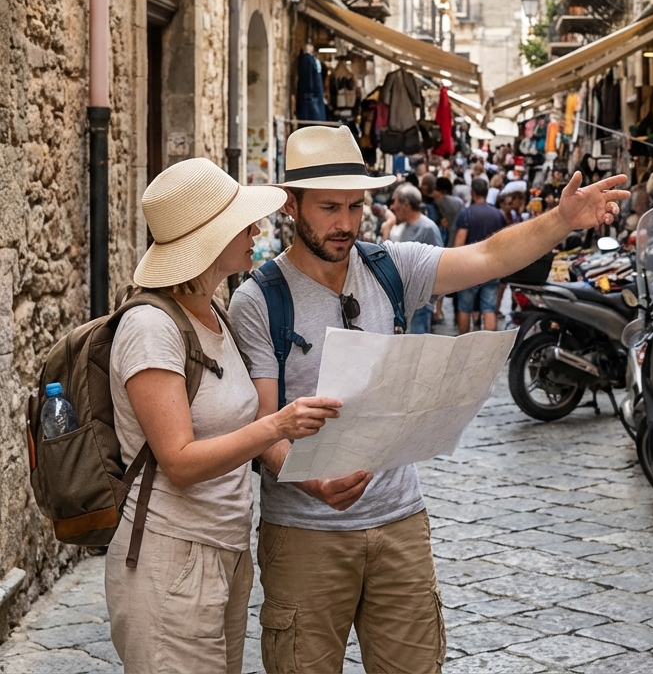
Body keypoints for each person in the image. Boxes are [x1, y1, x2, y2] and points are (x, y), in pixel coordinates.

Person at [228, 125, 627, 673]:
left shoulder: (389, 268)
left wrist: (561, 220)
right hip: (303, 533)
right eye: (327, 208)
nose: (345, 223)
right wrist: (310, 480)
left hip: (400, 522)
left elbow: (488, 257)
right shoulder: (258, 300)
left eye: (354, 205)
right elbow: (263, 424)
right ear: (291, 205)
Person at [106, 158, 340, 673]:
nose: (256, 229)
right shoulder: (151, 328)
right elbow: (181, 462)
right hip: (171, 558)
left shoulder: (214, 312)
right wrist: (276, 425)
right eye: (243, 221)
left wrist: (310, 475)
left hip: (225, 549)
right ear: (210, 238)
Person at [380, 184, 443, 333]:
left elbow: (438, 266)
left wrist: (429, 301)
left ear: (406, 204)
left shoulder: (428, 228)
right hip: (401, 303)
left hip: (419, 305)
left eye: (394, 201)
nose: (392, 207)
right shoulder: (401, 227)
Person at [452, 177, 509, 334]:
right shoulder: (499, 214)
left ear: (473, 193)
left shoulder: (466, 214)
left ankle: (463, 343)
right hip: (492, 269)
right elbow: (504, 242)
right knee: (489, 309)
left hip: (469, 270)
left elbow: (459, 245)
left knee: (464, 308)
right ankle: (489, 346)